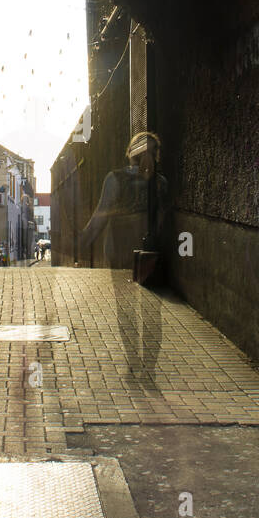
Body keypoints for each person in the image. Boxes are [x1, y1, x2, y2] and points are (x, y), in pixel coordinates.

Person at [78, 131, 168, 384]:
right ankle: (148, 369)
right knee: (152, 311)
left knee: (126, 310)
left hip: (118, 251)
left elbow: (101, 213)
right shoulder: (161, 183)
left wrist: (84, 239)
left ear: (131, 152)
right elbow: (163, 222)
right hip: (148, 254)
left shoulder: (115, 178)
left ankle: (133, 365)